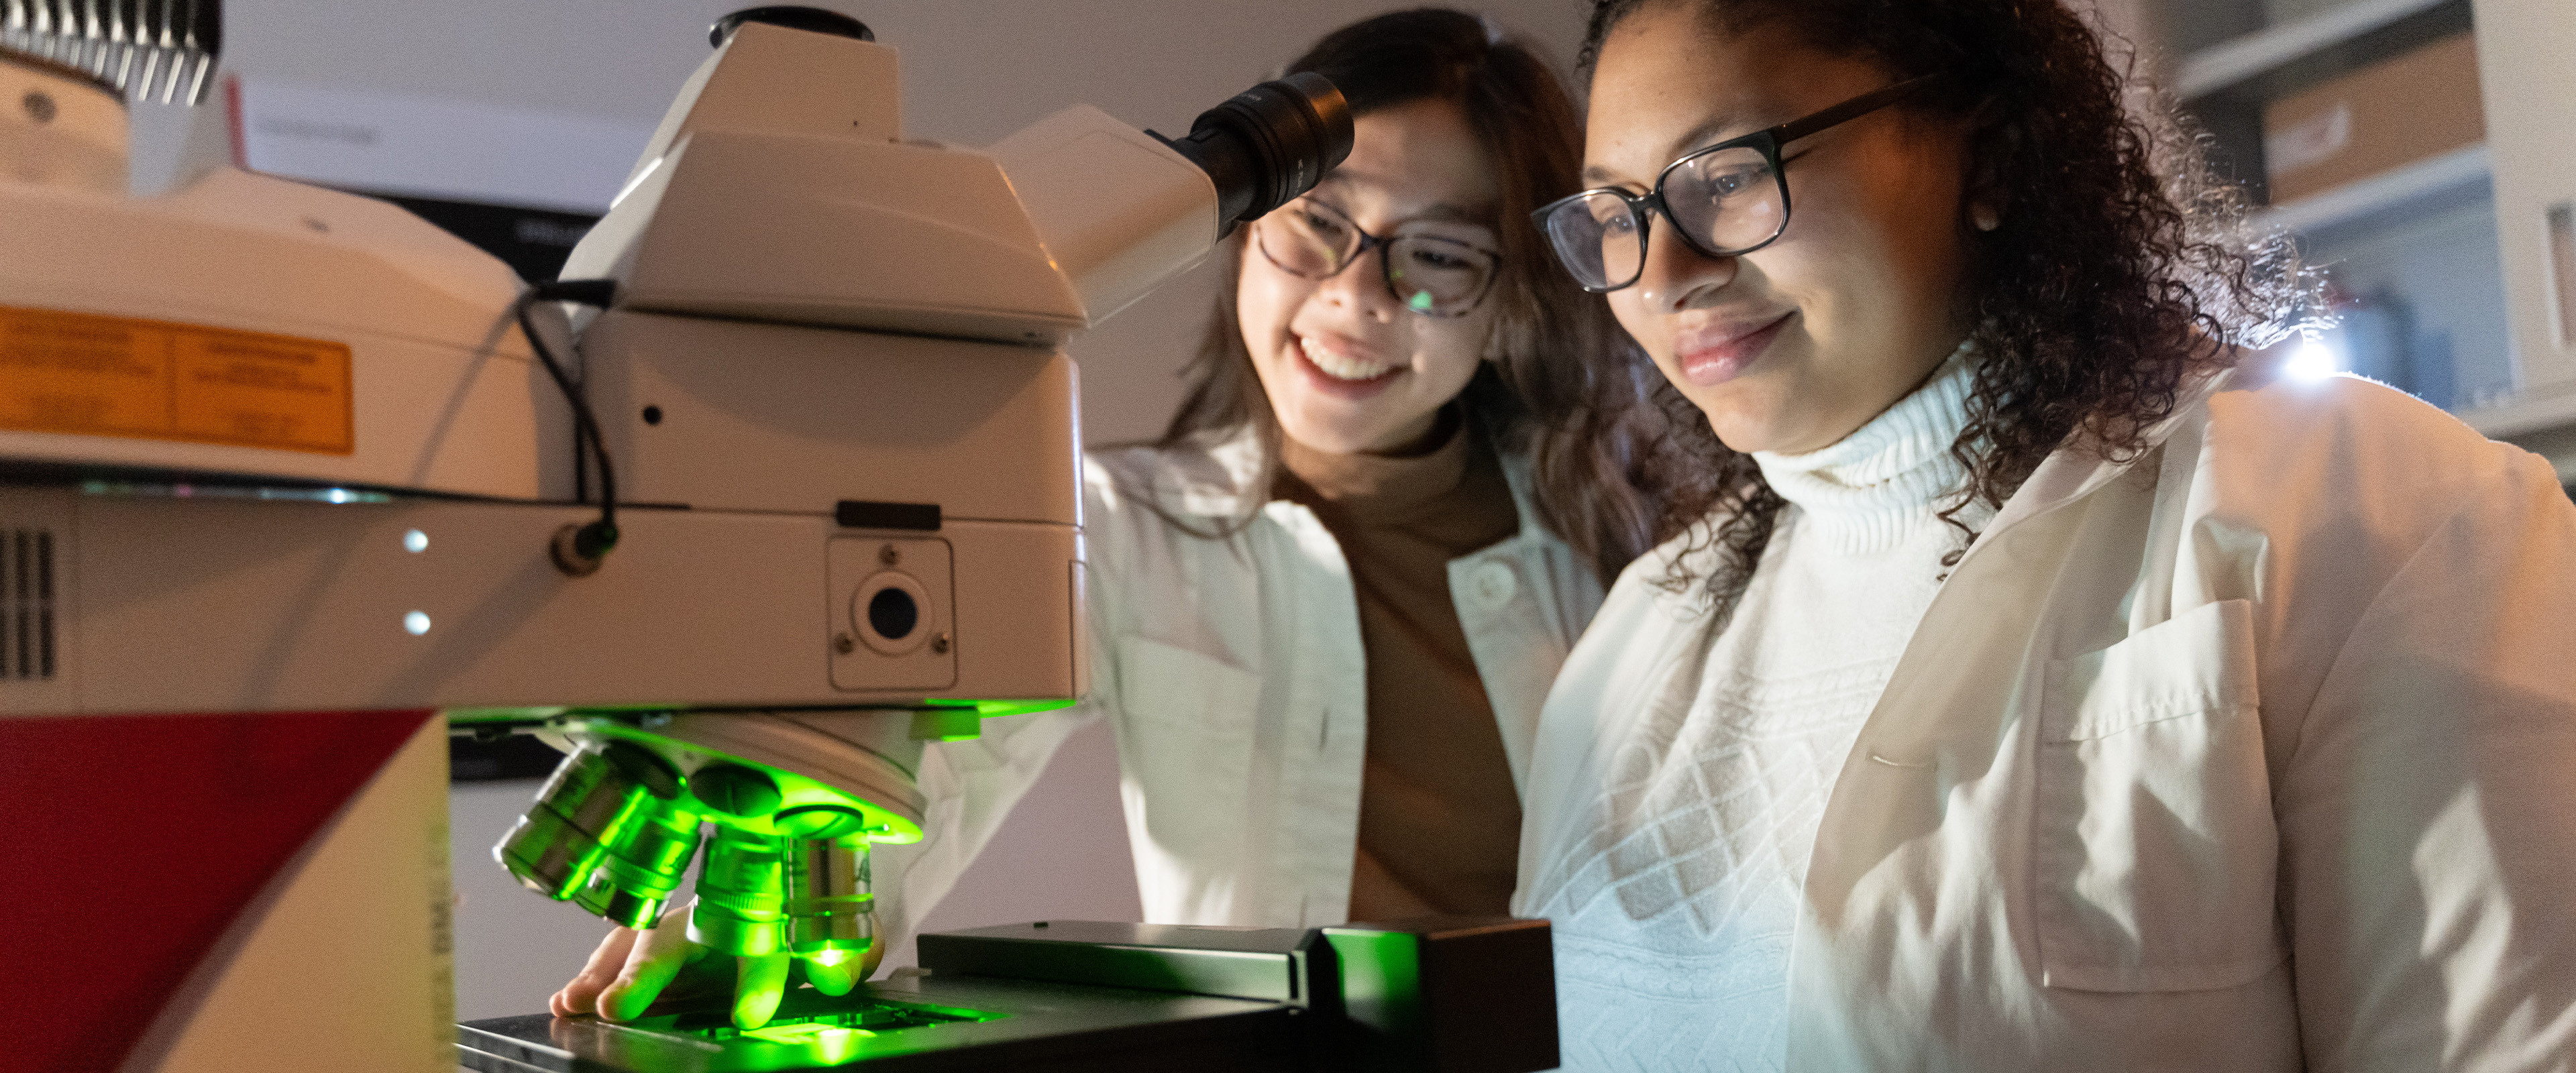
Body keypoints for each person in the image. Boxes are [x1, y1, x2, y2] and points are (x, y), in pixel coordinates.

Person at [551, 7, 1667, 1030]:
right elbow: (950, 764)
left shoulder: (1624, 550)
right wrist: (775, 906)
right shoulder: (1118, 531)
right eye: (1318, 223)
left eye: (1439, 255)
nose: (1356, 296)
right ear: (1247, 227)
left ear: (1512, 290)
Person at [1515, 0, 2576, 1069]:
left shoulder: (2369, 509)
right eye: (1616, 215)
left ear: (1988, 154)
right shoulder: (1640, 632)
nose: (1659, 275)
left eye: (1729, 176)